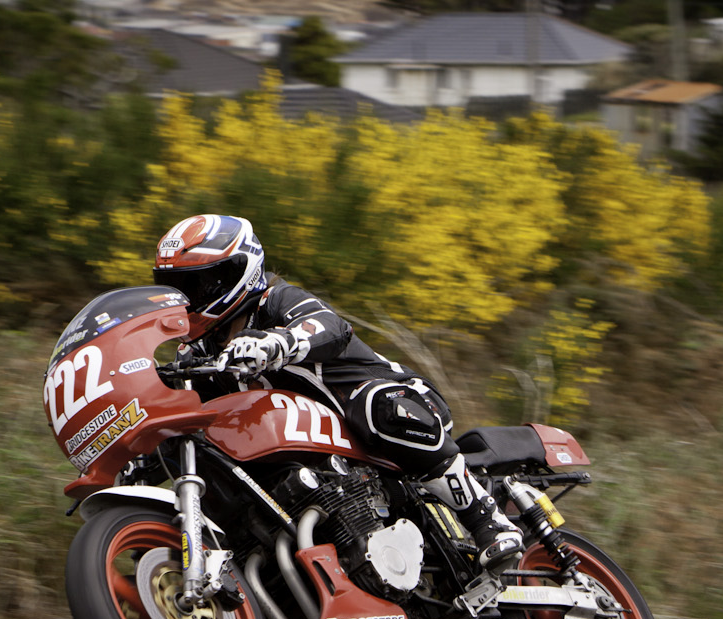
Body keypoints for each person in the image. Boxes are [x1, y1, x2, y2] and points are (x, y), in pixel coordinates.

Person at [151, 213, 524, 575]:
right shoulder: (194, 353)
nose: (190, 297)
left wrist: (278, 342)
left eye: (200, 284)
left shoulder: (275, 302)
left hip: (396, 402)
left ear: (239, 271)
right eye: (179, 287)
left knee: (379, 408)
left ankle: (488, 520)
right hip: (318, 447)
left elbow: (331, 326)